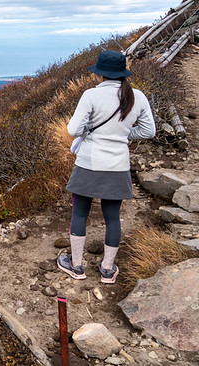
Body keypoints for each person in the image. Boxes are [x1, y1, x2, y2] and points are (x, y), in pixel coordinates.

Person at [57, 50, 156, 284]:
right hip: (118, 165)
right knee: (112, 217)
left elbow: (73, 130)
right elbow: (149, 131)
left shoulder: (91, 95)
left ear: (100, 73)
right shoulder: (137, 96)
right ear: (122, 73)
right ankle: (108, 269)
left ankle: (77, 266)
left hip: (90, 162)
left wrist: (92, 131)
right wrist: (123, 133)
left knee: (79, 213)